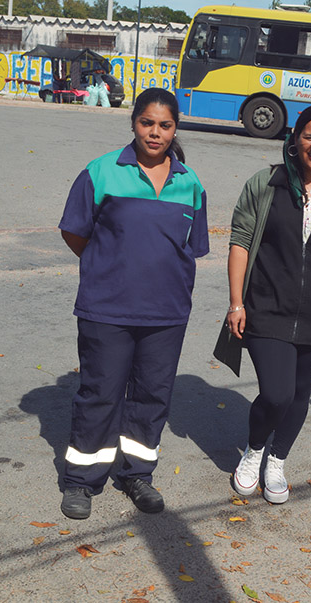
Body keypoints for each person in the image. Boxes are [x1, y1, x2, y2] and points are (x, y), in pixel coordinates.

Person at [57, 88, 209, 519]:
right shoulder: (101, 172)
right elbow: (75, 233)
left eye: (164, 125)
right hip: (107, 309)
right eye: (147, 123)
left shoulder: (190, 183)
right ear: (133, 123)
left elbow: (190, 247)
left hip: (166, 313)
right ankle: (82, 480)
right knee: (99, 394)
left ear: (175, 128)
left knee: (152, 397)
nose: (155, 133)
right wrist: (108, 268)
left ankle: (137, 473)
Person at [215, 104, 311, 505]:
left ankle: (278, 461)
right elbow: (240, 242)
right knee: (277, 393)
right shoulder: (265, 184)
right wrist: (235, 303)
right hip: (266, 306)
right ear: (294, 138)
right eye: (309, 136)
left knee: (300, 395)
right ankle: (255, 451)